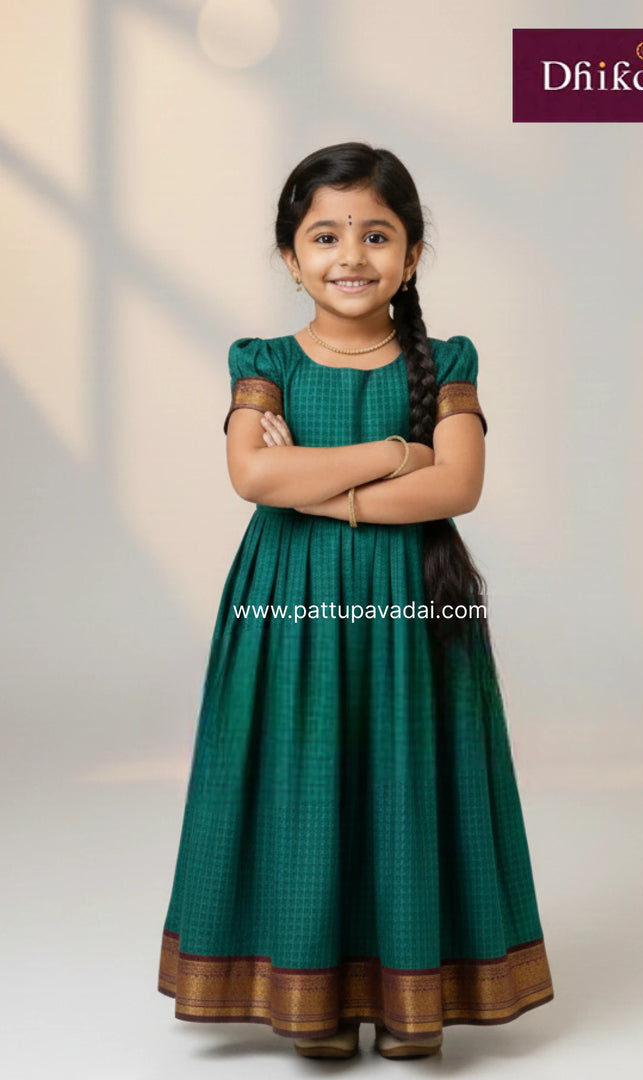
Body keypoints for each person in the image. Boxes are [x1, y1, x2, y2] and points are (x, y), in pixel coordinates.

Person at [156, 141, 554, 1060]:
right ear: (290, 257)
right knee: (305, 782)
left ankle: (411, 994)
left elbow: (457, 490)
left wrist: (320, 486)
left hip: (415, 607)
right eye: (325, 235)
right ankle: (312, 997)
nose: (351, 256)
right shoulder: (261, 359)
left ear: (412, 255)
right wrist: (390, 452)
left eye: (377, 235)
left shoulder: (449, 358)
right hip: (287, 605)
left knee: (407, 778)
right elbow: (253, 473)